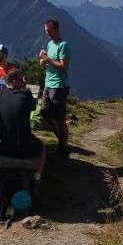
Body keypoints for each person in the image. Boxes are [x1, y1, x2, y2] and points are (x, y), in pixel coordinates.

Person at [0, 68, 45, 193]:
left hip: (4, 148)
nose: (25, 82)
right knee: (42, 148)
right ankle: (37, 179)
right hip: (25, 149)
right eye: (23, 79)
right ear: (14, 81)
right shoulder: (26, 94)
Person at [39, 18, 71, 157]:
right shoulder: (50, 44)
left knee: (59, 118)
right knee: (45, 112)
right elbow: (49, 63)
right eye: (46, 31)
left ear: (57, 29)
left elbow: (63, 67)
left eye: (49, 31)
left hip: (58, 85)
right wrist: (43, 63)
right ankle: (62, 142)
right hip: (48, 83)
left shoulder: (63, 45)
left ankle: (63, 147)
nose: (47, 34)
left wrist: (48, 60)